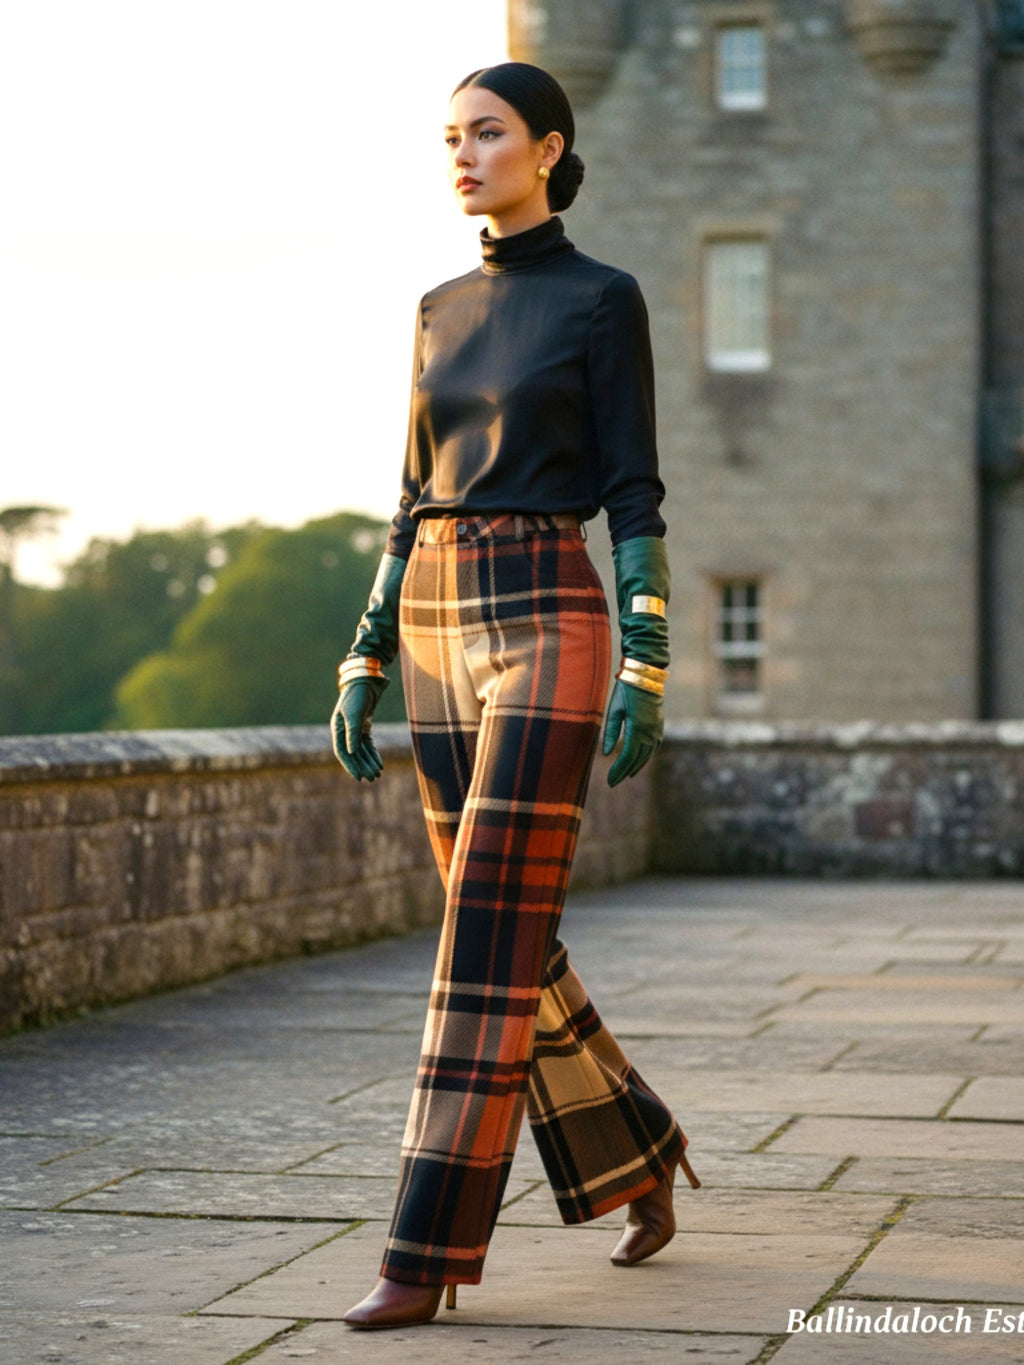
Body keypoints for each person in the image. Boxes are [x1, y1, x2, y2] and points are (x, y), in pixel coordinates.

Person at [331, 61, 698, 1332]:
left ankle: (420, 1253)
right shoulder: (435, 308)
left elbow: (635, 491)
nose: (462, 154)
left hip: (549, 608)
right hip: (434, 612)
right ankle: (639, 1151)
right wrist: (365, 647)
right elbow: (408, 492)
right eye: (449, 136)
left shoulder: (605, 300)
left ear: (547, 148)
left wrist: (645, 658)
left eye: (485, 133)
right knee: (509, 939)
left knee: (479, 938)